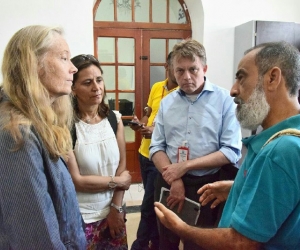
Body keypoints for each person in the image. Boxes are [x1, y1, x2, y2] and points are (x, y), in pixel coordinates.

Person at [154, 41, 300, 249]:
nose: (233, 90)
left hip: (206, 183)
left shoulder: (279, 152)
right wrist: (237, 187)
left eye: (241, 77)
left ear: (272, 78)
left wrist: (182, 229)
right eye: (180, 70)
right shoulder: (274, 142)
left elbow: (242, 242)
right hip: (175, 181)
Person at [149, 39, 242, 250]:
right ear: (173, 71)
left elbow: (231, 151)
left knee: (201, 244)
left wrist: (186, 166)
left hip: (208, 186)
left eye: (193, 69)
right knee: (167, 241)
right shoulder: (167, 103)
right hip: (168, 181)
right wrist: (175, 178)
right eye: (180, 71)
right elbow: (156, 147)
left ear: (205, 68)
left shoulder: (224, 101)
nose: (186, 77)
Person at [0, 25, 86, 249]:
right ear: (33, 65)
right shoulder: (17, 133)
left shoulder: (40, 123)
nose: (73, 68)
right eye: (64, 58)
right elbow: (36, 238)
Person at [67, 54, 131, 250]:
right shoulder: (66, 126)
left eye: (99, 80)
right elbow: (77, 180)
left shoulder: (114, 119)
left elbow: (122, 166)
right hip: (83, 217)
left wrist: (116, 207)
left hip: (115, 209)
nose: (96, 88)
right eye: (87, 82)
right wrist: (117, 182)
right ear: (73, 88)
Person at [130, 52, 178, 250]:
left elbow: (178, 129)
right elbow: (148, 112)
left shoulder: (183, 94)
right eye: (176, 68)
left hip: (162, 157)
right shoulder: (157, 87)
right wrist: (140, 124)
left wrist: (155, 131)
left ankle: (140, 244)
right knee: (152, 200)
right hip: (144, 153)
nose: (180, 73)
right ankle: (154, 242)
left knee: (149, 205)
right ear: (167, 67)